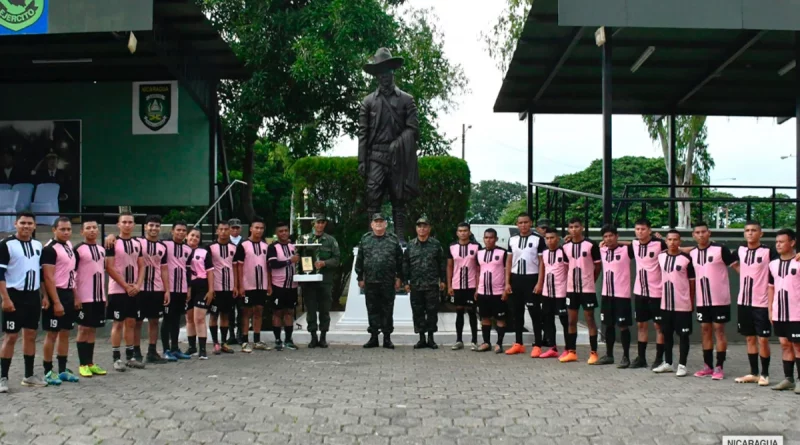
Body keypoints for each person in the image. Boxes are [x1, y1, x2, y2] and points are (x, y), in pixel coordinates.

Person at [358, 48, 420, 242]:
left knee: (398, 198)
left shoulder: (406, 100)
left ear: (393, 72)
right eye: (380, 72)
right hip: (375, 156)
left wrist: (398, 143)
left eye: (387, 71)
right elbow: (363, 133)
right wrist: (362, 161)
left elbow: (413, 129)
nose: (384, 76)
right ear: (376, 76)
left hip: (397, 156)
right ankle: (371, 237)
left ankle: (400, 238)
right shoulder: (368, 101)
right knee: (373, 197)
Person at [0, 211, 45, 391]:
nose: (26, 226)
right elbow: (0, 274)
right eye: (23, 223)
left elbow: (41, 273)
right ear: (15, 224)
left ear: (34, 226)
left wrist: (45, 296)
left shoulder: (37, 245)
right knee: (10, 336)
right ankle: (3, 377)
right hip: (14, 295)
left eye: (29, 223)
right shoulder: (6, 244)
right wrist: (5, 298)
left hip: (33, 296)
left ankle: (28, 375)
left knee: (31, 335)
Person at [689, 221, 737, 380]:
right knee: (705, 330)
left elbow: (737, 267)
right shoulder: (692, 253)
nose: (701, 235)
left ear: (709, 233)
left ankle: (719, 367)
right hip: (702, 301)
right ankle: (707, 366)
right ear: (693, 235)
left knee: (719, 330)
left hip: (720, 300)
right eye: (697, 232)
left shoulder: (720, 249)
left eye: (704, 232)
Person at [731, 221, 775, 386]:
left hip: (761, 302)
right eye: (747, 230)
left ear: (760, 233)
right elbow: (727, 258)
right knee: (749, 339)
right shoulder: (740, 250)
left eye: (753, 230)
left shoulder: (768, 251)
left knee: (763, 339)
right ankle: (754, 373)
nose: (750, 233)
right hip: (744, 302)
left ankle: (765, 374)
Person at [355, 213, 404, 349]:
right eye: (376, 222)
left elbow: (400, 260)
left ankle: (387, 338)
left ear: (386, 225)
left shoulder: (393, 239)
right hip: (370, 281)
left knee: (387, 309)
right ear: (372, 225)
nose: (378, 224)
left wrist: (399, 277)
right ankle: (374, 337)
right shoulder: (365, 239)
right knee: (372, 309)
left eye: (381, 222)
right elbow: (360, 259)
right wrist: (360, 277)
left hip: (388, 281)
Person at [40, 217, 79, 385]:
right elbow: (48, 278)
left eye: (68, 229)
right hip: (56, 294)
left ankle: (62, 370)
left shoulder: (69, 246)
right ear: (54, 230)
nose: (66, 232)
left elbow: (72, 274)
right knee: (52, 333)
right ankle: (48, 371)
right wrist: (55, 301)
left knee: (65, 332)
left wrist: (75, 295)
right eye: (62, 229)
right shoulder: (49, 249)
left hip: (68, 294)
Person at [105, 212, 145, 371]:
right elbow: (109, 267)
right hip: (117, 290)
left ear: (134, 225)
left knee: (131, 322)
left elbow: (142, 265)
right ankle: (116, 358)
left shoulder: (137, 243)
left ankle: (130, 357)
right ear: (118, 224)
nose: (127, 225)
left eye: (130, 222)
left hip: (134, 290)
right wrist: (126, 286)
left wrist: (137, 285)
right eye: (124, 222)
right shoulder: (112, 242)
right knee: (118, 324)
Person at [504, 213, 546, 357]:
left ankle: (538, 344)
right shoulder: (512, 239)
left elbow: (542, 263)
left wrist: (540, 282)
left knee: (535, 313)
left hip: (532, 279)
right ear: (517, 224)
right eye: (520, 222)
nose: (523, 225)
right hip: (516, 279)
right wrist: (507, 282)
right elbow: (509, 262)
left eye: (526, 222)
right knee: (517, 312)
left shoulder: (538, 240)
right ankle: (518, 343)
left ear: (531, 223)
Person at [560, 218, 601, 364]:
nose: (574, 229)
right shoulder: (565, 247)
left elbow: (597, 266)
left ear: (582, 227)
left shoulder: (591, 245)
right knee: (571, 320)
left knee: (590, 319)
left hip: (587, 289)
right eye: (571, 227)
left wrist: (590, 280)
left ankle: (594, 352)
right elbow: (566, 267)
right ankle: (571, 352)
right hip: (572, 289)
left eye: (576, 226)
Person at [655, 230, 695, 377]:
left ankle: (682, 365)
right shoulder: (661, 257)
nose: (672, 242)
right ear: (666, 241)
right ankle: (668, 363)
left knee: (683, 336)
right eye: (670, 239)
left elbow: (692, 283)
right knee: (667, 334)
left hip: (682, 305)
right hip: (666, 304)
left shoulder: (686, 259)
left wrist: (691, 301)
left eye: (675, 240)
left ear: (680, 241)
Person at [630, 218, 668, 369]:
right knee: (641, 325)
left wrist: (664, 239)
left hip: (657, 292)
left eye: (643, 229)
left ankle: (659, 358)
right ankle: (641, 358)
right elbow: (617, 246)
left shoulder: (659, 244)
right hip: (640, 291)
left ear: (650, 230)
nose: (640, 232)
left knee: (659, 326)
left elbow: (674, 250)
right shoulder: (633, 244)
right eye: (637, 229)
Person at [403, 217, 446, 349]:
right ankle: (421, 338)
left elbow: (442, 264)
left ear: (429, 228)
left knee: (432, 312)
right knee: (418, 312)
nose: (422, 229)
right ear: (416, 229)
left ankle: (431, 339)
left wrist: (443, 280)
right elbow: (406, 264)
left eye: (425, 226)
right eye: (419, 226)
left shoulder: (436, 244)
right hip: (416, 285)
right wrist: (406, 281)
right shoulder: (410, 245)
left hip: (432, 285)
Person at [74, 219, 108, 378]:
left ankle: (90, 363)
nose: (92, 230)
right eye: (88, 228)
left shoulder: (101, 249)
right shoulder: (78, 250)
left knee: (93, 328)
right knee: (83, 328)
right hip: (83, 297)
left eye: (95, 227)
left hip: (98, 297)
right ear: (82, 232)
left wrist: (104, 295)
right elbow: (72, 275)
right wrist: (76, 296)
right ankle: (82, 364)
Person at [596, 225, 634, 367]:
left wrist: (622, 242)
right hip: (607, 294)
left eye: (611, 235)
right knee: (608, 325)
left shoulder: (626, 250)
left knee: (623, 326)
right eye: (605, 237)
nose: (608, 239)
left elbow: (638, 244)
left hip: (622, 295)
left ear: (617, 236)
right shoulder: (602, 249)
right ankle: (609, 355)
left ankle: (626, 357)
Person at [301, 214, 340, 349]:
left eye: (322, 222)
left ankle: (323, 337)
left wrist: (324, 263)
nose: (320, 225)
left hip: (325, 280)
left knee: (324, 309)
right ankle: (313, 337)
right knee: (311, 309)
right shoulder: (304, 238)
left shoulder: (330, 240)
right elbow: (298, 255)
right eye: (317, 222)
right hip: (309, 280)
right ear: (313, 224)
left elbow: (336, 259)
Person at [768, 229, 800, 392]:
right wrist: (770, 310)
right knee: (784, 344)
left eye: (782, 242)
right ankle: (789, 379)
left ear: (792, 242)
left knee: (798, 345)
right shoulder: (773, 264)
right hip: (780, 311)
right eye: (777, 242)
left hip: (797, 312)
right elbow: (771, 288)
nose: (778, 245)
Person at [137, 215, 171, 364]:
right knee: (137, 321)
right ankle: (135, 352)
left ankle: (152, 351)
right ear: (145, 227)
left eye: (157, 226)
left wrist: (167, 290)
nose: (154, 228)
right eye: (151, 225)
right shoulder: (137, 242)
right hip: (139, 289)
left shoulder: (162, 247)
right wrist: (111, 237)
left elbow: (164, 270)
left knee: (154, 321)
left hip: (156, 288)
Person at [234, 217, 271, 353]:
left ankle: (256, 340)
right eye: (256, 228)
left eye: (261, 228)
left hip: (261, 285)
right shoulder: (243, 245)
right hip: (247, 285)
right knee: (246, 312)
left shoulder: (265, 246)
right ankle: (244, 341)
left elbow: (268, 267)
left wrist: (269, 284)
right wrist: (240, 285)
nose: (259, 230)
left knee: (259, 311)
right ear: (250, 229)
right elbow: (238, 266)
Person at [446, 222, 480, 350]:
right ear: (457, 233)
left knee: (472, 312)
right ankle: (459, 340)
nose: (463, 233)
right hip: (457, 285)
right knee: (459, 311)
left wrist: (478, 287)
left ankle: (474, 341)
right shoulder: (452, 247)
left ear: (469, 232)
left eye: (465, 230)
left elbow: (479, 268)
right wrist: (449, 285)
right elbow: (449, 267)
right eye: (460, 231)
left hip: (471, 285)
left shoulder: (476, 247)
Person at [475, 228, 509, 353]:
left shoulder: (503, 253)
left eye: (491, 238)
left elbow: (507, 271)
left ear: (496, 239)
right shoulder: (479, 253)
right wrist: (477, 289)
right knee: (485, 317)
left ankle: (499, 344)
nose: (488, 240)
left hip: (498, 292)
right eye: (486, 238)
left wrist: (506, 288)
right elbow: (478, 272)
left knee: (500, 318)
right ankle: (486, 342)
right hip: (483, 292)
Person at [162, 222, 192, 361]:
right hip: (169, 289)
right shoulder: (164, 246)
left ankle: (175, 348)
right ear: (172, 231)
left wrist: (188, 289)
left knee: (177, 320)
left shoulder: (188, 249)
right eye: (178, 230)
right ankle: (165, 349)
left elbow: (188, 270)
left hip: (182, 289)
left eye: (183, 230)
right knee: (167, 319)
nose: (180, 232)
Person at [268, 222, 300, 351]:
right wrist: (289, 261)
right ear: (277, 233)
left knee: (289, 312)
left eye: (286, 230)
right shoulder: (273, 247)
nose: (284, 233)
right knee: (277, 312)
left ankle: (288, 339)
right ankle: (277, 339)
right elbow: (273, 264)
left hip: (292, 285)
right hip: (278, 285)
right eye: (281, 231)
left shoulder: (294, 246)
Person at [208, 221, 237, 354]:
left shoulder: (234, 247)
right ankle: (215, 343)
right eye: (221, 229)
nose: (224, 232)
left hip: (229, 287)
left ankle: (224, 342)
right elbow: (208, 269)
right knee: (214, 315)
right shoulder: (211, 247)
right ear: (217, 231)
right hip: (216, 287)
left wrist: (236, 285)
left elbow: (236, 267)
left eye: (226, 229)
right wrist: (210, 288)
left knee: (225, 315)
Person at [539, 228, 568, 359]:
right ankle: (552, 348)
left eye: (552, 238)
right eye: (547, 238)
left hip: (561, 292)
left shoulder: (564, 251)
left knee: (564, 321)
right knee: (548, 320)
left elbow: (569, 269)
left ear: (557, 239)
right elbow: (543, 269)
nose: (549, 241)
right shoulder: (544, 253)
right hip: (547, 292)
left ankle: (569, 348)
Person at [187, 228, 214, 360]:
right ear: (187, 236)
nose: (194, 238)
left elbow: (210, 272)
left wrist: (211, 290)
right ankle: (192, 347)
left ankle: (202, 349)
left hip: (201, 286)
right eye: (192, 235)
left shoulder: (204, 252)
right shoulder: (181, 250)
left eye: (197, 236)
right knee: (189, 318)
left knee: (199, 318)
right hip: (186, 287)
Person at [227, 218, 243, 344]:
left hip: (243, 279)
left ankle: (240, 333)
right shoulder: (225, 242)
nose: (235, 230)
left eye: (237, 227)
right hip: (229, 279)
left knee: (241, 309)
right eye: (233, 228)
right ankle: (231, 333)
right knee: (230, 310)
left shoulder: (244, 242)